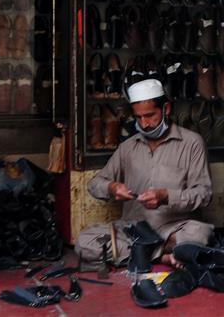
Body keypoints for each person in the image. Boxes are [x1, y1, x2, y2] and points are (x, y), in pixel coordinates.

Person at [75, 78, 213, 267]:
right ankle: (161, 256)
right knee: (84, 242)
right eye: (138, 117)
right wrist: (111, 187)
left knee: (199, 234)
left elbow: (204, 194)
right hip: (133, 229)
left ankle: (142, 254)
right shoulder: (127, 147)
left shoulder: (191, 143)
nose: (144, 123)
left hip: (173, 228)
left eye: (150, 115)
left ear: (166, 109)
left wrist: (166, 196)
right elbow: (94, 184)